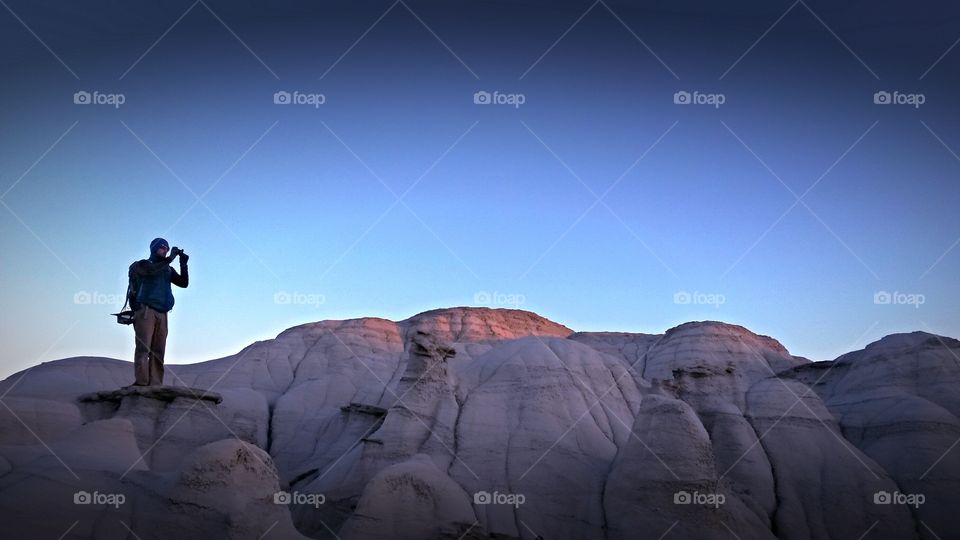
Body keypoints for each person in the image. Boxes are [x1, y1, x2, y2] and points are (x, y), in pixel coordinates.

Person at [128, 237, 189, 386]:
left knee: (159, 351)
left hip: (163, 313)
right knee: (143, 348)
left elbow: (183, 283)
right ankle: (141, 383)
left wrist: (183, 264)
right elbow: (151, 272)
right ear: (154, 248)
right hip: (146, 310)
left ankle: (155, 384)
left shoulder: (167, 269)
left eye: (167, 249)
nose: (165, 250)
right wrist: (170, 259)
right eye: (162, 247)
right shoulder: (143, 264)